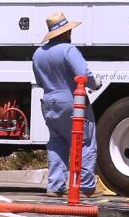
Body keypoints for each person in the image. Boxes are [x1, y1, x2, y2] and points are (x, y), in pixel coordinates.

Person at [33, 11, 99, 198]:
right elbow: (82, 74)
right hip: (72, 101)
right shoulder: (68, 50)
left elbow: (39, 80)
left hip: (49, 101)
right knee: (85, 142)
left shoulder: (38, 54)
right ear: (65, 33)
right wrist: (95, 84)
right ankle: (85, 185)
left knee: (56, 142)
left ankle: (55, 185)